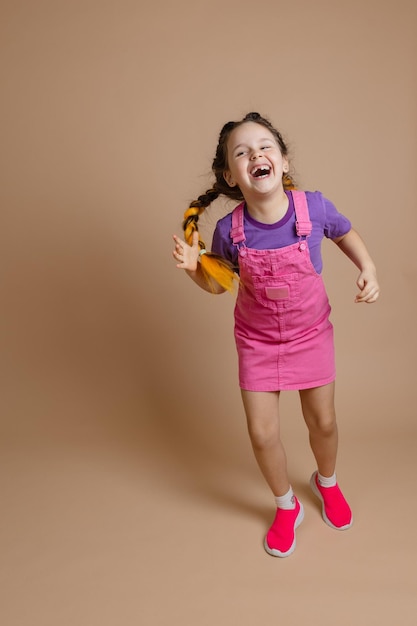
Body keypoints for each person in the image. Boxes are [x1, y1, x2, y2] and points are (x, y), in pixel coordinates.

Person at [172, 112, 379, 558]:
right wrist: (195, 270)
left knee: (322, 422)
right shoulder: (230, 231)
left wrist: (369, 268)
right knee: (262, 433)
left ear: (283, 161)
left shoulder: (314, 208)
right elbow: (219, 284)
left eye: (265, 147)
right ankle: (286, 506)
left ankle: (327, 482)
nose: (255, 156)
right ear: (231, 175)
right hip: (257, 342)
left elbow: (346, 234)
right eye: (241, 153)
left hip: (311, 335)